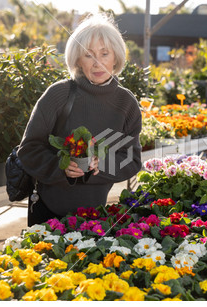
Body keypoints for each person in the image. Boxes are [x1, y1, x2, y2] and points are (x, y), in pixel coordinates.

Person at [18, 14, 142, 226]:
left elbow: (131, 160)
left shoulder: (126, 102)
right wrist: (62, 167)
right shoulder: (58, 95)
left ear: (116, 57)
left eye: (105, 54)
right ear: (77, 59)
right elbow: (28, 150)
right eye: (88, 55)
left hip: (96, 217)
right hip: (48, 212)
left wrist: (99, 165)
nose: (97, 63)